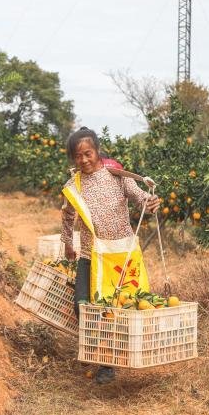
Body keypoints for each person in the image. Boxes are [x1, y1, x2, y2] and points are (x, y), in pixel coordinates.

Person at [60, 127, 160, 384]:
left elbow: (140, 196)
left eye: (88, 153)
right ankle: (100, 353)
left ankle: (112, 362)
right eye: (78, 156)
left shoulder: (117, 176)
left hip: (119, 256)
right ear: (73, 158)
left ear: (97, 151)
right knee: (83, 306)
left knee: (117, 309)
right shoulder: (74, 186)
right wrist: (67, 243)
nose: (84, 160)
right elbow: (68, 215)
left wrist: (149, 202)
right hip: (89, 254)